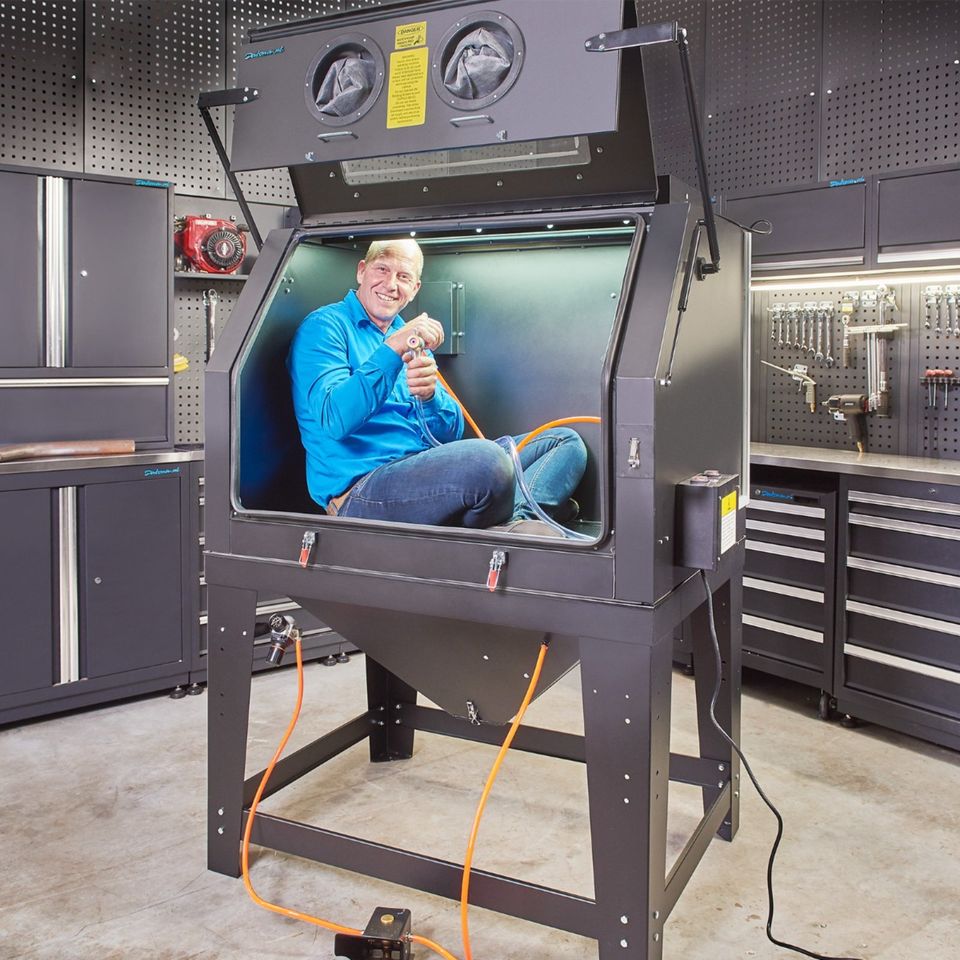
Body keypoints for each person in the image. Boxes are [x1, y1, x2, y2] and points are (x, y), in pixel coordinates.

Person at [287, 238, 586, 529]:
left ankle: (519, 519)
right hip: (364, 490)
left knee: (563, 442)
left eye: (403, 276)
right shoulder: (325, 327)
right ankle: (520, 516)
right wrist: (391, 351)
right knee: (488, 461)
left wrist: (430, 397)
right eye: (382, 269)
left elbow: (446, 434)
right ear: (362, 271)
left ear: (414, 288)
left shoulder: (409, 335)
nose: (391, 285)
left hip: (426, 472)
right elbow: (334, 419)